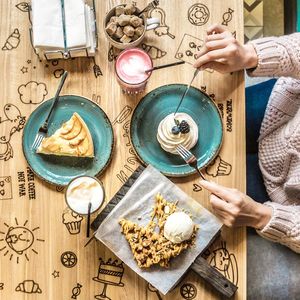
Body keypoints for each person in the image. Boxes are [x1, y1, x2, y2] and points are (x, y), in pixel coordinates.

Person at [195, 24, 300, 253]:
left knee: (192, 201)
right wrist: (250, 55)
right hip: (283, 108)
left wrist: (259, 216)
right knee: (200, 108)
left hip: (281, 195)